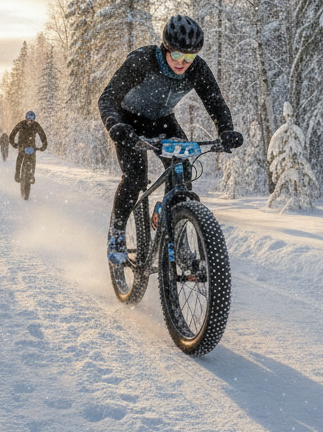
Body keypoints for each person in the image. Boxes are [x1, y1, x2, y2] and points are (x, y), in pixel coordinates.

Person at [98, 14, 243, 264]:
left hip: (162, 120)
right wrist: (116, 125)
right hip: (128, 120)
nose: (182, 63)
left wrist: (226, 130)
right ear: (165, 47)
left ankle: (172, 222)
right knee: (135, 177)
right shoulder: (142, 60)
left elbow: (215, 102)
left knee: (182, 169)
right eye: (177, 55)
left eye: (189, 57)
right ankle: (117, 234)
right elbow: (108, 97)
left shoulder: (197, 68)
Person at [8, 111, 47, 184]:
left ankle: (32, 175)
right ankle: (17, 174)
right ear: (26, 118)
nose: (30, 121)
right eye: (29, 118)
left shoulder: (36, 125)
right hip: (22, 146)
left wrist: (44, 145)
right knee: (20, 158)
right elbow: (12, 135)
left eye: (32, 119)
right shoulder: (21, 124)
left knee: (33, 160)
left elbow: (43, 136)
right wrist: (14, 144)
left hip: (32, 147)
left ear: (34, 119)